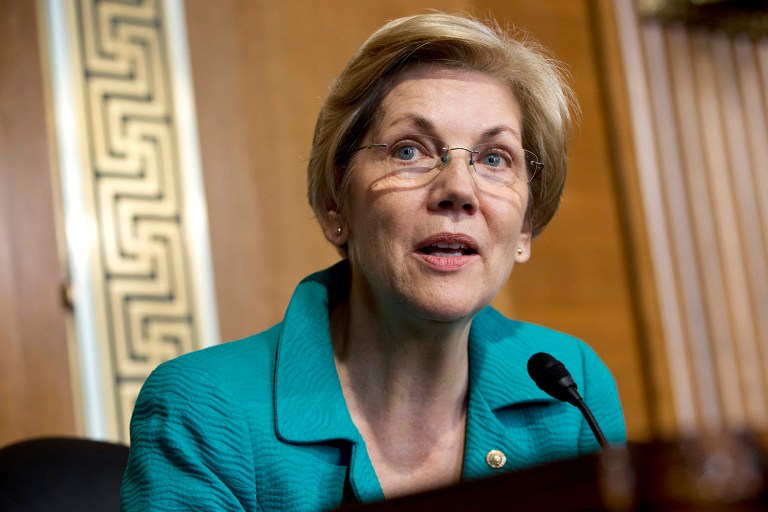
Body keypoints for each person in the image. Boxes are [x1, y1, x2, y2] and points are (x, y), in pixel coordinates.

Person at [121, 12, 625, 511]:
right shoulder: (205, 411)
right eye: (410, 151)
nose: (459, 189)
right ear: (335, 202)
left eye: (494, 158)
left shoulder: (570, 392)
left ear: (525, 225)